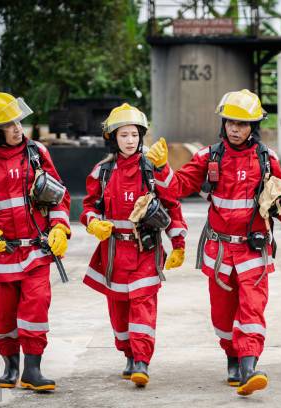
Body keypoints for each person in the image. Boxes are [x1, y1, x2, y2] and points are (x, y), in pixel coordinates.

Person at [146, 89, 281, 396]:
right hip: (219, 251)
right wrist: (162, 169)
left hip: (254, 251)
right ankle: (232, 356)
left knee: (252, 310)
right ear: (223, 123)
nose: (236, 129)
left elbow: (280, 201)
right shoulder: (208, 157)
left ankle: (249, 367)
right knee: (223, 315)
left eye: (242, 124)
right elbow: (176, 189)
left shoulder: (268, 160)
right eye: (231, 123)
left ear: (253, 126)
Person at [0, 92, 71, 391]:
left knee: (36, 308)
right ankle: (10, 366)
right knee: (1, 314)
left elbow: (59, 196)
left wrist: (59, 227)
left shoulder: (37, 153)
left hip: (35, 250)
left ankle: (33, 370)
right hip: (0, 255)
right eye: (9, 124)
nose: (18, 128)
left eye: (18, 121)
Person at [81, 103, 187, 387]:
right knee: (118, 311)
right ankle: (128, 356)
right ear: (113, 138)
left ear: (142, 136)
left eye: (134, 135)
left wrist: (178, 244)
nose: (130, 140)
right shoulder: (101, 171)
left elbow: (172, 202)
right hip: (113, 252)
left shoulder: (153, 168)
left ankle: (142, 361)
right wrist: (93, 222)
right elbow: (89, 206)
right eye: (123, 135)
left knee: (143, 306)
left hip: (145, 250)